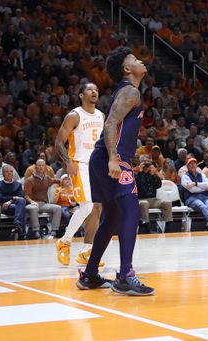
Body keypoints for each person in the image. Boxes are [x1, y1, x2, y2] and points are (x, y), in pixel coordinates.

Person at [78, 47, 153, 296]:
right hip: (111, 158)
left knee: (112, 218)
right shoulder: (130, 91)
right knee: (130, 209)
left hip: (104, 158)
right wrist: (114, 158)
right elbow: (110, 123)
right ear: (126, 69)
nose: (140, 60)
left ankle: (89, 274)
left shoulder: (129, 92)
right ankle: (125, 275)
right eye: (134, 59)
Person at [54, 83, 105, 267]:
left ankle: (86, 251)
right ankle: (65, 240)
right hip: (79, 165)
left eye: (96, 90)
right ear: (81, 95)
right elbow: (59, 142)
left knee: (97, 207)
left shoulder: (101, 116)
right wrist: (68, 162)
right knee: (88, 205)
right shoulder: (74, 115)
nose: (94, 92)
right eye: (90, 90)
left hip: (96, 166)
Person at [0, 163, 36, 239]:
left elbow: (21, 196)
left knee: (21, 201)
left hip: (15, 206)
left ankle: (17, 224)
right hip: (4, 207)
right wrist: (13, 198)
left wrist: (10, 201)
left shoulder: (18, 185)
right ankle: (22, 234)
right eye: (7, 171)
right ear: (3, 173)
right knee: (21, 204)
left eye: (11, 171)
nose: (9, 173)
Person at [24, 158, 63, 237]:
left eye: (42, 165)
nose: (41, 167)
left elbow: (54, 180)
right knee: (33, 208)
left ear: (45, 167)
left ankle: (54, 230)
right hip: (32, 204)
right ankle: (36, 231)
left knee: (58, 208)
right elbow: (26, 195)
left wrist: (64, 181)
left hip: (43, 204)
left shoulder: (47, 178)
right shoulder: (29, 180)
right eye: (39, 165)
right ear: (35, 167)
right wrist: (32, 202)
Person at [135, 156, 172, 233]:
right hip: (142, 199)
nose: (146, 164)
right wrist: (141, 171)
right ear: (140, 163)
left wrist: (153, 174)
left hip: (154, 199)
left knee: (167, 202)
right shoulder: (137, 173)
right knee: (144, 203)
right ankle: (146, 226)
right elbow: (138, 185)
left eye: (147, 162)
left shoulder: (152, 173)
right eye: (144, 162)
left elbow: (158, 185)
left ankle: (169, 226)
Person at [181, 157, 208, 229]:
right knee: (202, 206)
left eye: (194, 164)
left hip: (204, 196)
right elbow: (192, 190)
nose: (193, 165)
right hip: (191, 198)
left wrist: (195, 184)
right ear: (187, 166)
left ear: (197, 165)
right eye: (190, 164)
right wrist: (202, 187)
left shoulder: (201, 175)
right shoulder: (185, 177)